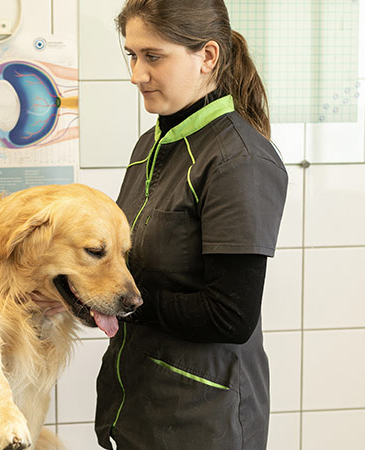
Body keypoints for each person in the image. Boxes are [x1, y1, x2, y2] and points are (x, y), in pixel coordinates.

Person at [94, 1, 288, 449]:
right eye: (132, 55)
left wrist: (116, 301)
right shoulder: (151, 143)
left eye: (154, 56)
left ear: (208, 57)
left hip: (202, 418)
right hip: (139, 406)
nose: (136, 74)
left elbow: (230, 315)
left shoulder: (239, 160)